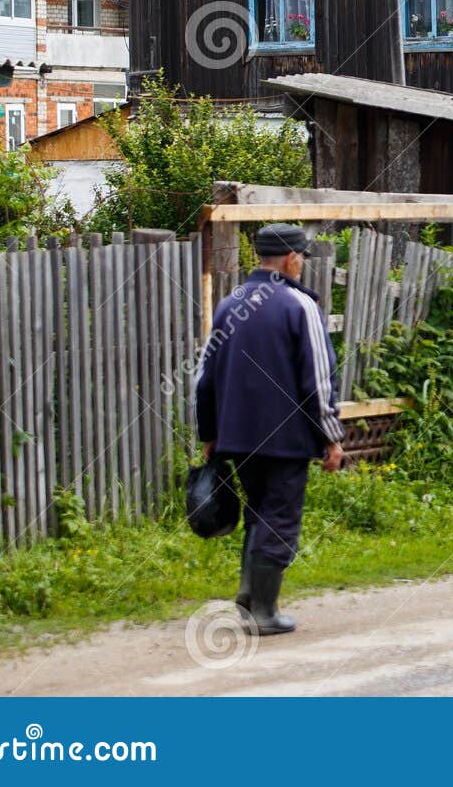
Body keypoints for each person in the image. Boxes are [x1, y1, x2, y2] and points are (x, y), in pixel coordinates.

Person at [194, 223, 344, 635]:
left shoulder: (230, 304)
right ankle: (263, 611)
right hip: (286, 439)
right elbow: (318, 378)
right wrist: (331, 435)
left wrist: (208, 433)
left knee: (260, 512)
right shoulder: (300, 305)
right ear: (293, 259)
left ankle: (250, 597)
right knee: (278, 516)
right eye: (303, 258)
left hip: (237, 438)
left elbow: (204, 379)